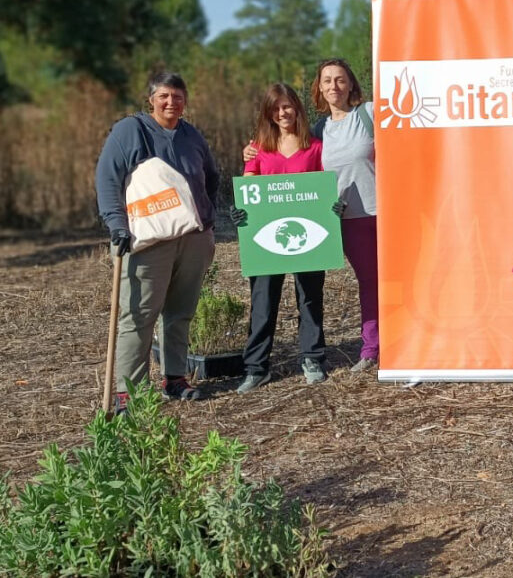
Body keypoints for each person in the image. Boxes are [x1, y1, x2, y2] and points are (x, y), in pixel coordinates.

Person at [242, 58, 379, 372]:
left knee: (396, 279)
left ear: (351, 84)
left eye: (340, 79)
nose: (334, 86)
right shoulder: (318, 132)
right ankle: (371, 347)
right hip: (344, 218)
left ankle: (405, 341)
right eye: (327, 80)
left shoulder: (367, 114)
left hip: (383, 210)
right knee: (369, 281)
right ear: (319, 88)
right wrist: (250, 156)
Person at [95, 72, 218, 411]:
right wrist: (117, 226)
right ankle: (128, 393)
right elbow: (107, 180)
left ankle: (175, 379)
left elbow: (212, 176)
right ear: (150, 99)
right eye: (164, 96)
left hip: (192, 239)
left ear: (186, 100)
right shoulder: (130, 131)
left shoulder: (191, 135)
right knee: (138, 315)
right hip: (145, 241)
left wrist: (208, 217)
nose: (171, 102)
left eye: (177, 96)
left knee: (180, 312)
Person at [232, 83, 332, 392]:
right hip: (267, 238)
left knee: (310, 298)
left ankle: (313, 358)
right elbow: (249, 186)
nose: (282, 113)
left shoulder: (315, 146)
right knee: (263, 301)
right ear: (268, 113)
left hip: (307, 235)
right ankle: (256, 367)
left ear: (297, 108)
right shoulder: (258, 147)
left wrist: (332, 206)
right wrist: (241, 210)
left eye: (287, 106)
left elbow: (324, 186)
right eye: (276, 108)